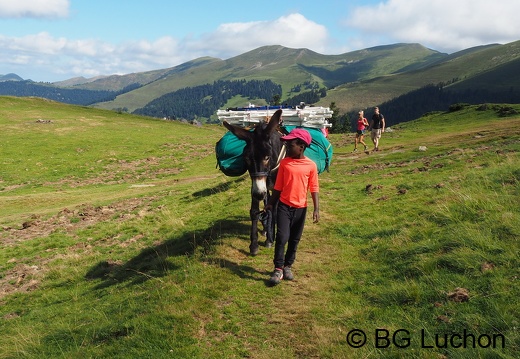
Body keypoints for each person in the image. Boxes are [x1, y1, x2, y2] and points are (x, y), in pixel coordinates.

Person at [264, 128, 319, 286]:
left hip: (301, 209)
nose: (287, 148)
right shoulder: (285, 164)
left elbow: (314, 188)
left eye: (290, 145)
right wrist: (270, 204)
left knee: (294, 239)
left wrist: (316, 208)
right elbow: (278, 187)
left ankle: (288, 266)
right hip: (283, 207)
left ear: (301, 146)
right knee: (282, 238)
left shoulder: (311, 166)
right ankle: (278, 268)